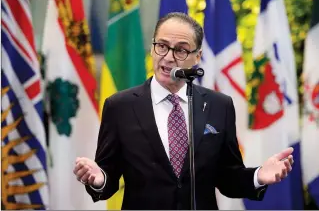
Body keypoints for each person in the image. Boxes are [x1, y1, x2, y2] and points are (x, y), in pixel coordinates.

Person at [73, 12, 294, 210]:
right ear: (152, 48)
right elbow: (108, 177)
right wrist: (99, 178)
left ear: (197, 57)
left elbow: (228, 178)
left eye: (180, 50)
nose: (168, 57)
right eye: (162, 46)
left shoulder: (219, 105)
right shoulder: (120, 106)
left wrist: (258, 176)